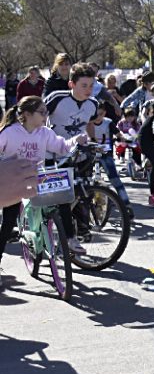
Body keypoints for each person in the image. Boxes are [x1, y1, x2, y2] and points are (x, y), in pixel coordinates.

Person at [0, 96, 88, 282]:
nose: (45, 116)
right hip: (14, 183)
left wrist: (76, 140)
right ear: (27, 114)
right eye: (42, 112)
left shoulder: (45, 133)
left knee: (61, 199)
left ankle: (70, 239)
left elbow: (62, 147)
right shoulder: (10, 132)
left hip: (37, 178)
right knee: (8, 223)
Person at [89, 101, 134, 217]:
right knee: (85, 179)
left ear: (104, 113)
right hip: (90, 154)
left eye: (101, 114)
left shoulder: (108, 123)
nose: (98, 117)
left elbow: (118, 133)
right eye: (96, 114)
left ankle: (126, 205)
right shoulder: (88, 124)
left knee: (115, 180)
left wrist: (123, 138)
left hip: (105, 153)